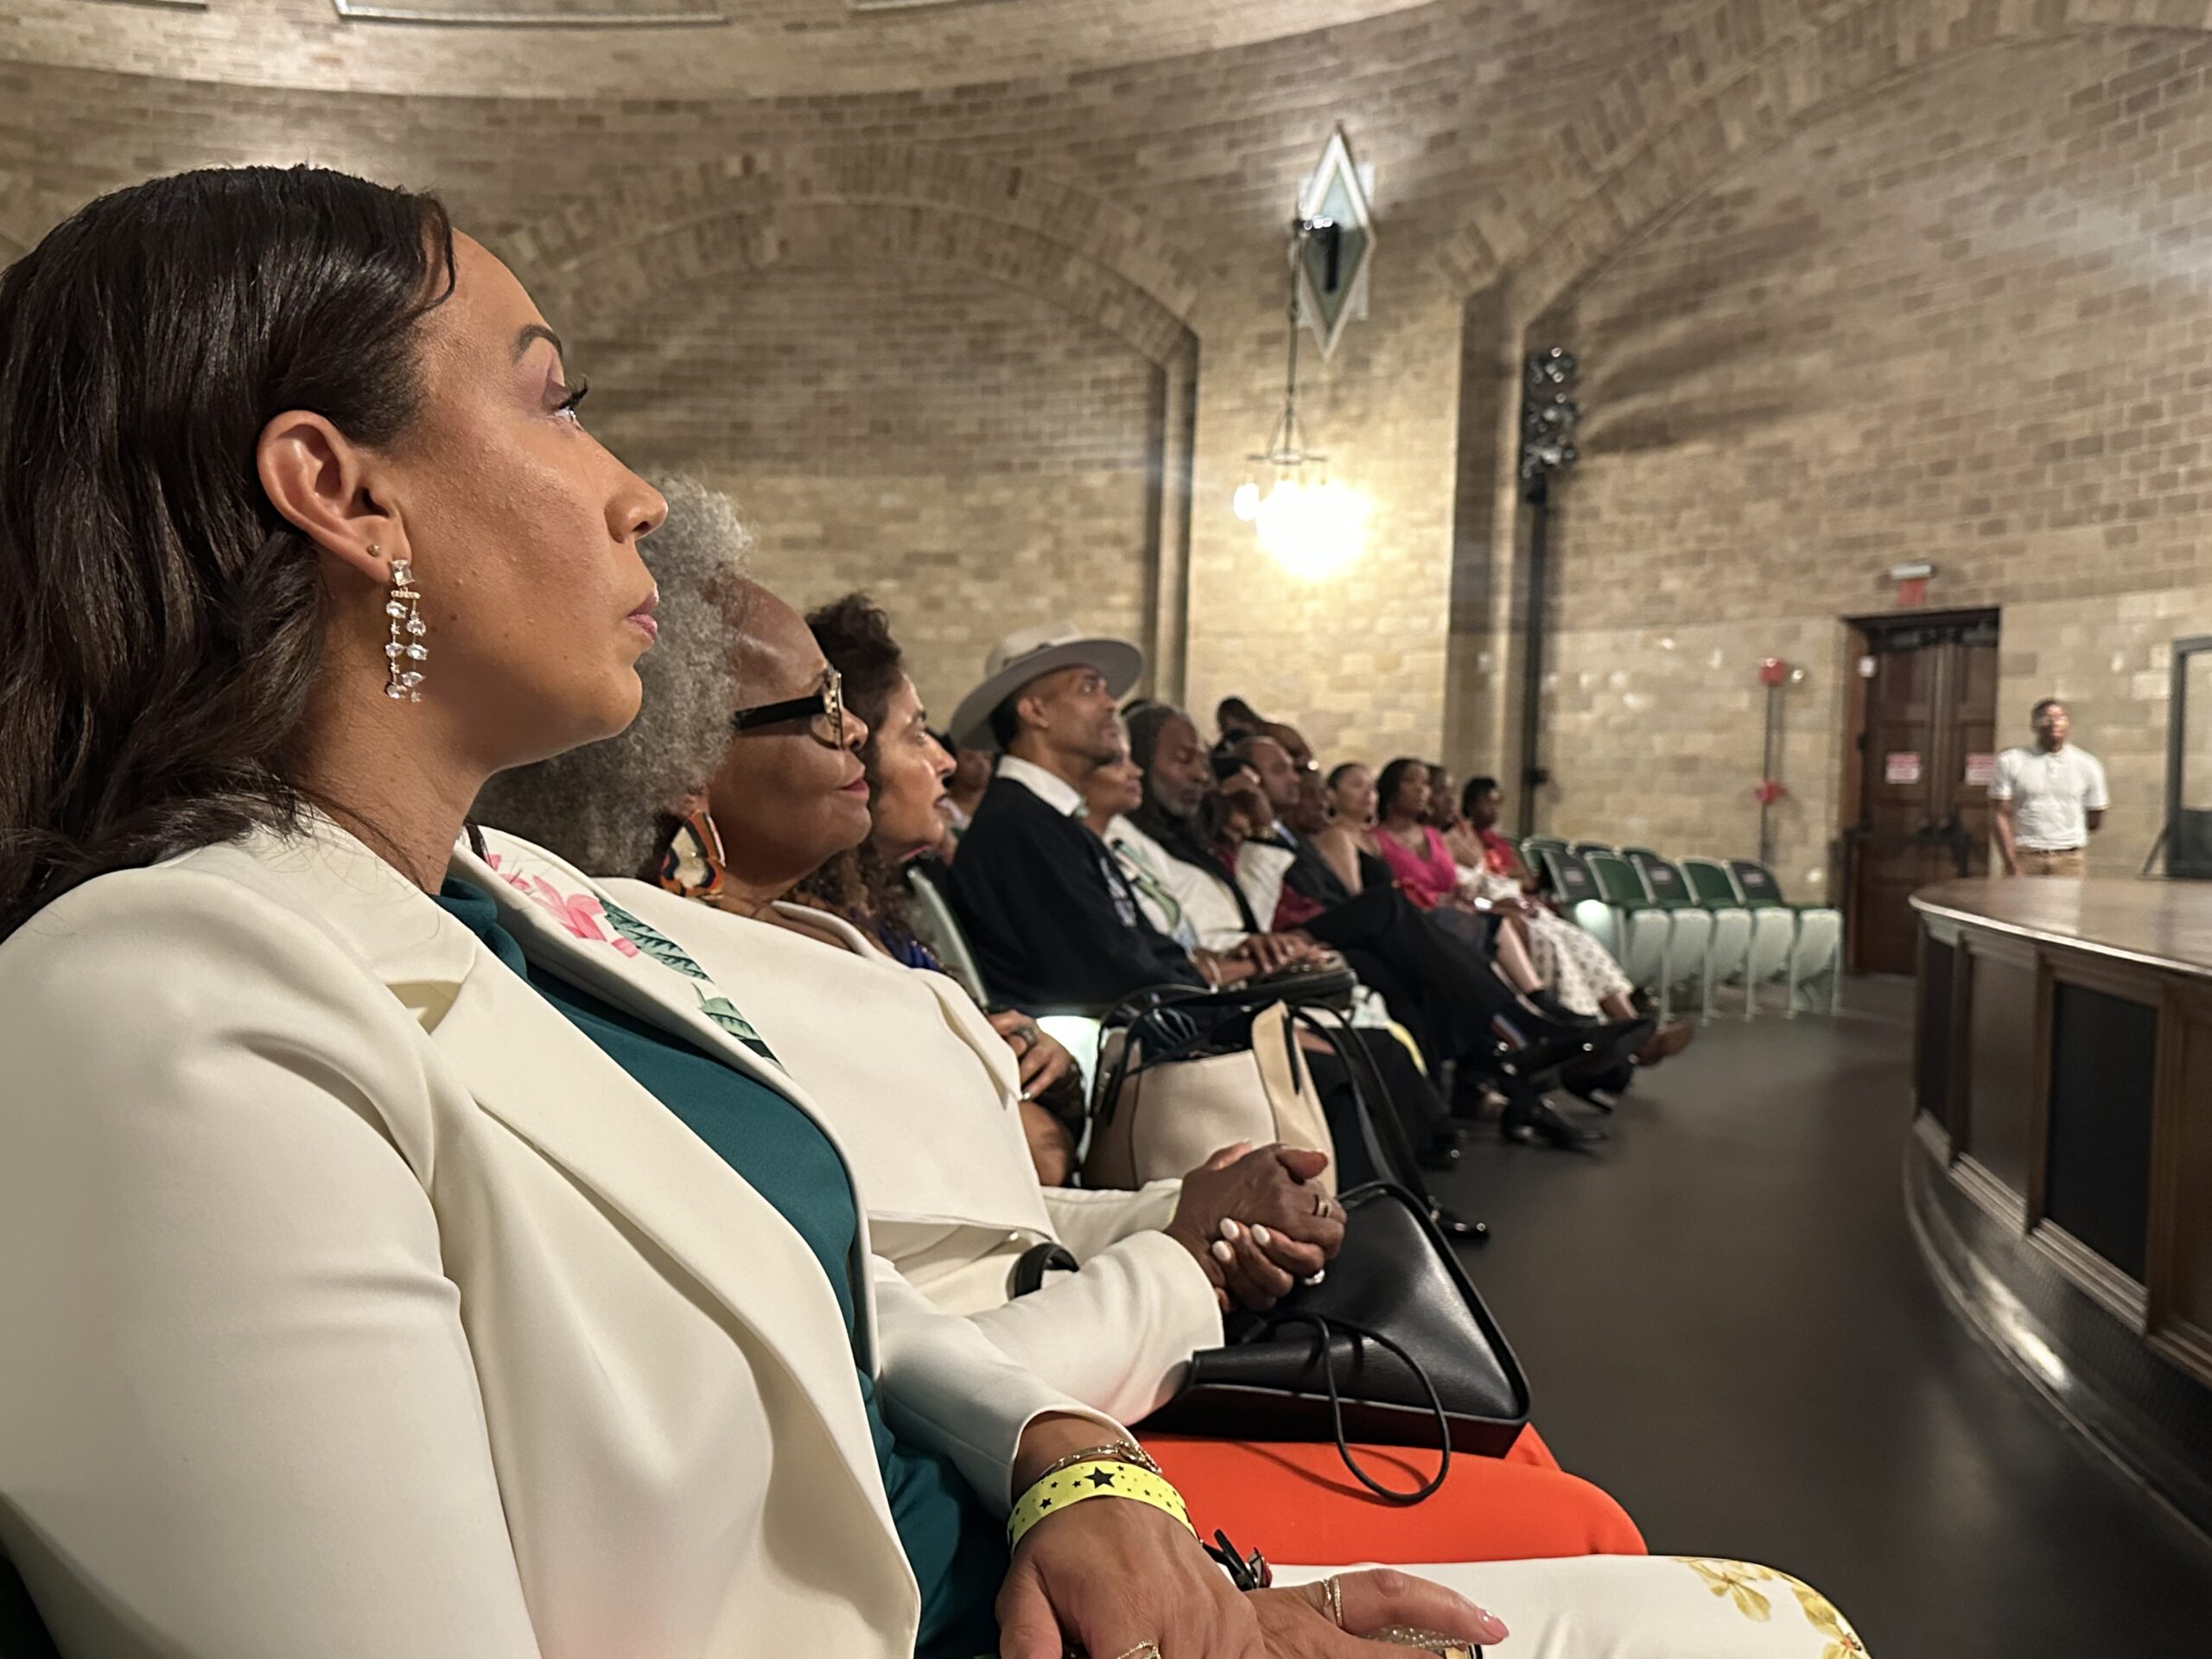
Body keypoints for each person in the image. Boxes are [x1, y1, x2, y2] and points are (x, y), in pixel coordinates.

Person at [0, 165, 1866, 1659]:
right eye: (553, 404)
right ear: (339, 487)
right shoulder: (160, 1006)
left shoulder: (502, 894)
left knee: (1736, 1612)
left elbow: (826, 1283)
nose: (631, 493)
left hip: (1035, 1563)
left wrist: (1064, 1463)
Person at [482, 565, 1652, 1565]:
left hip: (1092, 1350)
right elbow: (879, 1338)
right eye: (823, 709)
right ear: (689, 770)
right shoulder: (666, 987)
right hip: (1005, 1460)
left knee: (1504, 1429)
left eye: (857, 710)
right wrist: (1180, 1263)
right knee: (1574, 1523)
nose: (869, 738)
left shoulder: (822, 931)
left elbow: (995, 1224)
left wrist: (1194, 1207)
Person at [1460, 779, 1694, 1062]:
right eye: (1488, 803)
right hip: (1493, 909)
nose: (1494, 811)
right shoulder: (1463, 838)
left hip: (1521, 905)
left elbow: (1520, 878)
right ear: (1470, 804)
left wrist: (1527, 887)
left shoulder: (1499, 844)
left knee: (1580, 941)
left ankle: (1634, 1029)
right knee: (1552, 944)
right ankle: (1596, 1032)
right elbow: (1474, 885)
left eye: (1498, 804)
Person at [1992, 699, 2109, 877]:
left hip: (2069, 859)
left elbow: (2095, 816)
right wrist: (2011, 862)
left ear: (2068, 723)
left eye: (2060, 717)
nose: (2054, 723)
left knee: (2066, 905)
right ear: (2034, 725)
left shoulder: (2087, 764)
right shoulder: (2011, 761)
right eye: (2046, 718)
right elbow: (2000, 813)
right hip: (2026, 855)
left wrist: (2066, 832)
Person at [1373, 758, 1467, 912]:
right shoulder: (1375, 840)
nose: (1421, 789)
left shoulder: (1434, 835)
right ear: (1391, 787)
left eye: (1425, 783)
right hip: (1412, 920)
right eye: (1411, 781)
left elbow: (1453, 885)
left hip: (1452, 915)